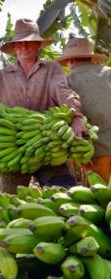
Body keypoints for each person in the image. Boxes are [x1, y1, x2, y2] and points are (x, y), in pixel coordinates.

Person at [0, 19, 85, 193]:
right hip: (12, 147)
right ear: (14, 48)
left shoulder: (52, 69)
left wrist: (76, 116)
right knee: (8, 201)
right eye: (20, 44)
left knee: (64, 194)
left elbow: (62, 91)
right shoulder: (2, 76)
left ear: (38, 45)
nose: (24, 47)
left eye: (30, 43)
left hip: (47, 144)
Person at [57, 38, 111, 182]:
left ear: (71, 60)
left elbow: (68, 115)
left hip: (98, 151)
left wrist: (81, 155)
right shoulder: (109, 73)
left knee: (105, 198)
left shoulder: (66, 81)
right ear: (89, 57)